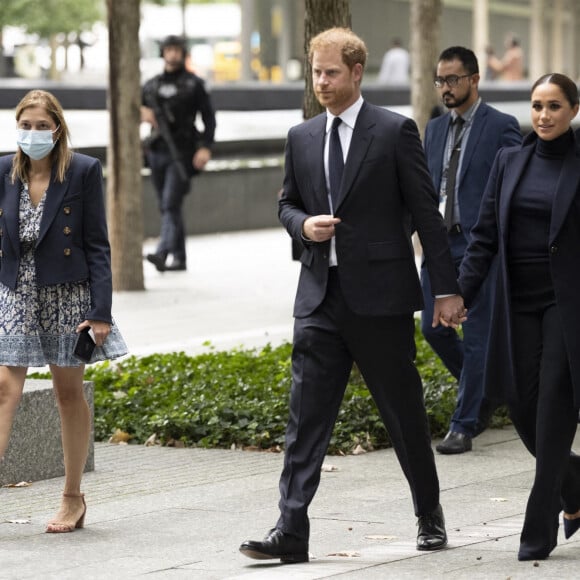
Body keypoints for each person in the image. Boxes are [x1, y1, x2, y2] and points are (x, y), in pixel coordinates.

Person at [239, 27, 466, 564]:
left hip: (381, 299)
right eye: (315, 71)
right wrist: (302, 226)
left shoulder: (393, 132)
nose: (321, 81)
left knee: (404, 412)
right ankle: (290, 528)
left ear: (357, 72)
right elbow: (286, 204)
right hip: (320, 297)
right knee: (305, 418)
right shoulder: (302, 136)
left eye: (331, 72)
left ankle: (429, 514)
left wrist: (446, 289)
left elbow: (427, 216)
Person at [458, 73, 580, 561]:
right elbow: (484, 236)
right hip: (518, 304)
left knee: (553, 407)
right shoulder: (511, 161)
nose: (544, 115)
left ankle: (538, 528)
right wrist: (458, 294)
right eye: (537, 106)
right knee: (524, 410)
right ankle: (573, 482)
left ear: (573, 109)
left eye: (554, 106)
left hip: (567, 308)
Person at [0, 89, 128, 532]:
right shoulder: (3, 170)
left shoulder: (82, 171)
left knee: (67, 394)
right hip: (16, 292)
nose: (32, 133)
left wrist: (101, 311)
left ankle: (72, 498)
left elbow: (96, 243)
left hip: (65, 293)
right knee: (4, 387)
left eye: (41, 125)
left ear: (57, 128)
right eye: (25, 125)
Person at [421, 46, 521, 455]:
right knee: (433, 328)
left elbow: (514, 186)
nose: (446, 88)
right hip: (440, 244)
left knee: (477, 332)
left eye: (453, 80)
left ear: (475, 79)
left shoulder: (501, 126)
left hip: (480, 245)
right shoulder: (433, 129)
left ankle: (464, 425)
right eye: (440, 80)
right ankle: (487, 390)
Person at [141, 35, 216, 272]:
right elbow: (136, 111)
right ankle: (180, 258)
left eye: (177, 50)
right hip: (156, 151)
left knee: (170, 203)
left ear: (183, 53)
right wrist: (143, 114)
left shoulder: (195, 84)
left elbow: (209, 119)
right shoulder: (151, 86)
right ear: (163, 53)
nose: (173, 54)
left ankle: (163, 251)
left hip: (182, 152)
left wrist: (205, 147)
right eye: (169, 50)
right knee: (167, 206)